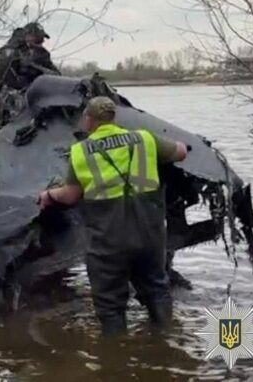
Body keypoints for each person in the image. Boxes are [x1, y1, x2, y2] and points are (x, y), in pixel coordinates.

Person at [38, 96, 188, 336]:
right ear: (113, 118)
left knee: (110, 306)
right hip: (149, 236)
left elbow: (70, 195)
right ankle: (167, 339)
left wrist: (48, 195)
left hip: (108, 242)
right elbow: (181, 152)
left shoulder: (80, 151)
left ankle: (116, 356)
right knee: (157, 289)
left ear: (88, 121)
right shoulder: (144, 139)